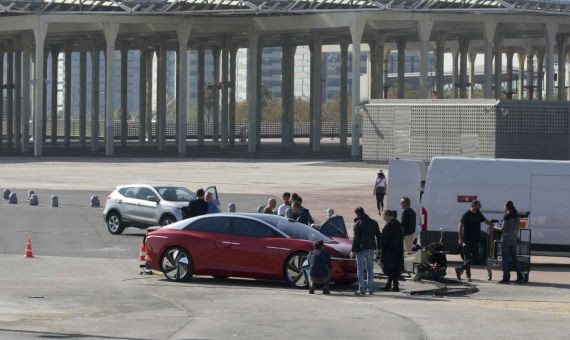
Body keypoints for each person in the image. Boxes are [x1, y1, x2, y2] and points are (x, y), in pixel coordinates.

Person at [455, 200, 495, 281]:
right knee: (467, 257)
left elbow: (485, 221)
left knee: (476, 256)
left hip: (475, 239)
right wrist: (460, 238)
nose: (480, 207)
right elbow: (460, 225)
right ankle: (468, 275)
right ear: (473, 205)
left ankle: (460, 269)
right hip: (466, 239)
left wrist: (493, 225)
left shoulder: (478, 214)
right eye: (478, 205)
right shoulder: (467, 214)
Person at [350, 207, 382, 295]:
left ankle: (362, 289)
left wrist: (353, 250)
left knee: (360, 269)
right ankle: (370, 289)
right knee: (370, 268)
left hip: (360, 249)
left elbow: (355, 239)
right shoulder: (373, 222)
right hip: (371, 247)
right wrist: (379, 248)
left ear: (357, 214)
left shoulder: (357, 224)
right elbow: (378, 236)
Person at [497, 201, 524, 284]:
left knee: (504, 258)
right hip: (514, 239)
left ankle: (506, 277)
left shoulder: (506, 216)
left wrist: (496, 227)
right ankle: (520, 276)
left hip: (506, 239)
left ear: (507, 207)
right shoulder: (517, 216)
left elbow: (503, 229)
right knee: (514, 258)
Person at [380, 210, 404, 292]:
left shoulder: (390, 225)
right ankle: (391, 285)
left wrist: (381, 248)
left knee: (391, 267)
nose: (383, 217)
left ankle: (394, 286)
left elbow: (385, 239)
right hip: (398, 249)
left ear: (387, 215)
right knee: (394, 267)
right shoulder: (398, 224)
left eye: (383, 215)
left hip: (390, 250)